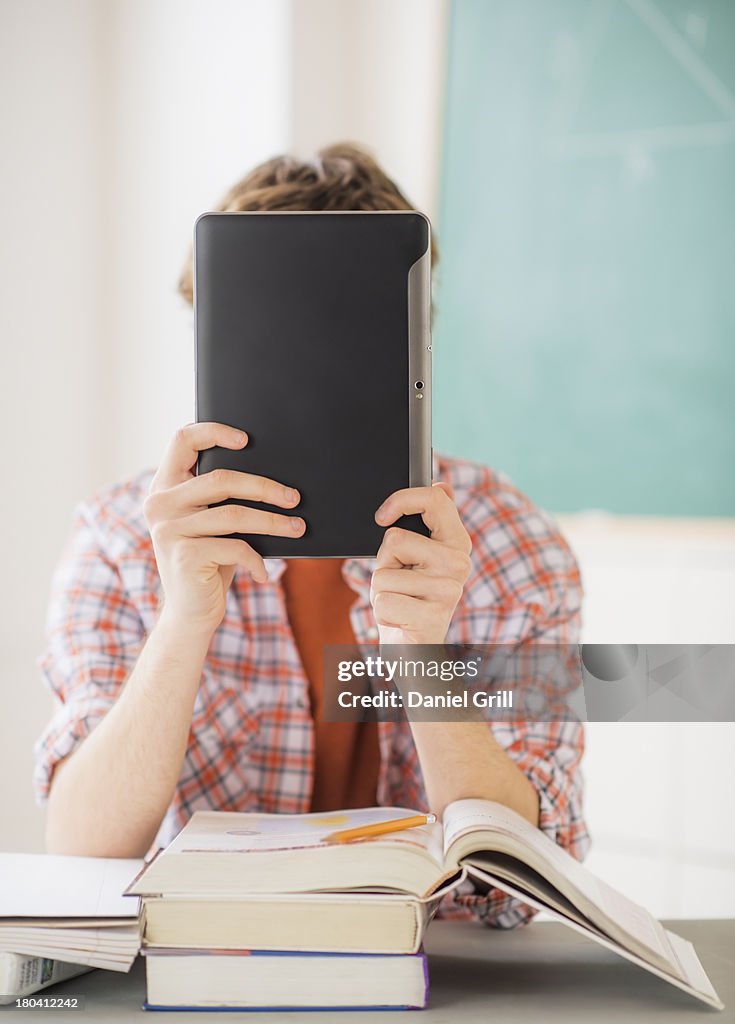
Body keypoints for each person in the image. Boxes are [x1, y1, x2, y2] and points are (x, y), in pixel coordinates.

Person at [34, 143, 588, 927]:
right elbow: (81, 854)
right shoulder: (121, 538)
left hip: (432, 975)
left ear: (411, 343)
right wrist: (183, 622)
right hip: (200, 963)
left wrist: (421, 650)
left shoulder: (509, 541)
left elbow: (521, 877)